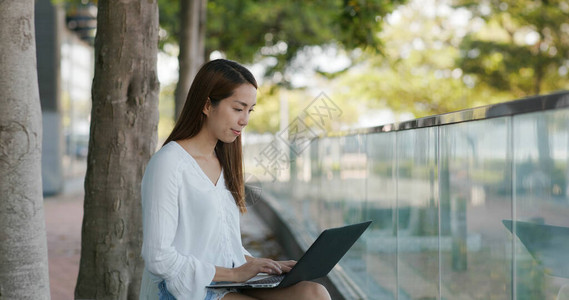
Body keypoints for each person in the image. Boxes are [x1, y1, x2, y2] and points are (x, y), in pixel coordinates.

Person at [139, 59, 331, 300]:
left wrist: (259, 264)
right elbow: (158, 257)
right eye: (238, 108)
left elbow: (219, 243)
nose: (245, 120)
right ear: (207, 105)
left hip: (224, 284)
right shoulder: (169, 164)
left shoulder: (222, 162)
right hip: (186, 291)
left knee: (314, 293)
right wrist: (235, 274)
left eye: (249, 110)